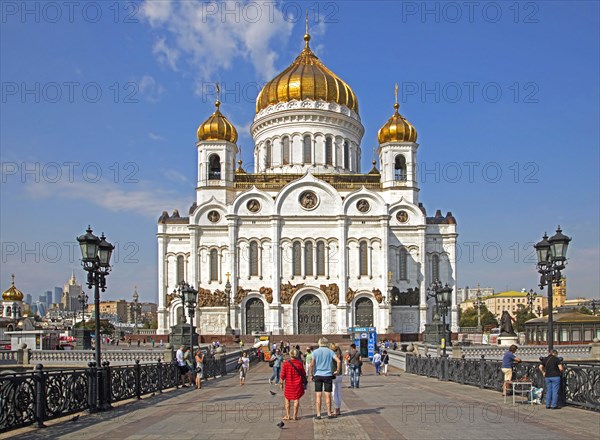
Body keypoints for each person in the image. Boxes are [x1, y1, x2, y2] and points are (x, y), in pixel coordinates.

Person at [309, 337, 340, 419]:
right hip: (328, 375)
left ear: (319, 343)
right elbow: (339, 361)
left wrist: (311, 374)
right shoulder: (330, 352)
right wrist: (337, 370)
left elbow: (311, 364)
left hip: (318, 375)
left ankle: (318, 414)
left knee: (318, 395)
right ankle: (329, 413)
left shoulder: (315, 352)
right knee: (328, 395)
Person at [280, 348, 306, 421]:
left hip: (288, 384)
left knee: (287, 400)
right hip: (297, 384)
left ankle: (288, 415)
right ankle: (295, 416)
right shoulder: (299, 364)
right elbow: (304, 373)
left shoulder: (286, 364)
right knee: (296, 399)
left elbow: (282, 375)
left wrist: (281, 383)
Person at [330, 343, 343, 416]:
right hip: (340, 375)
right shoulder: (340, 354)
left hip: (334, 374)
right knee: (338, 393)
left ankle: (335, 410)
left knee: (334, 393)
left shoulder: (333, 355)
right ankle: (338, 409)